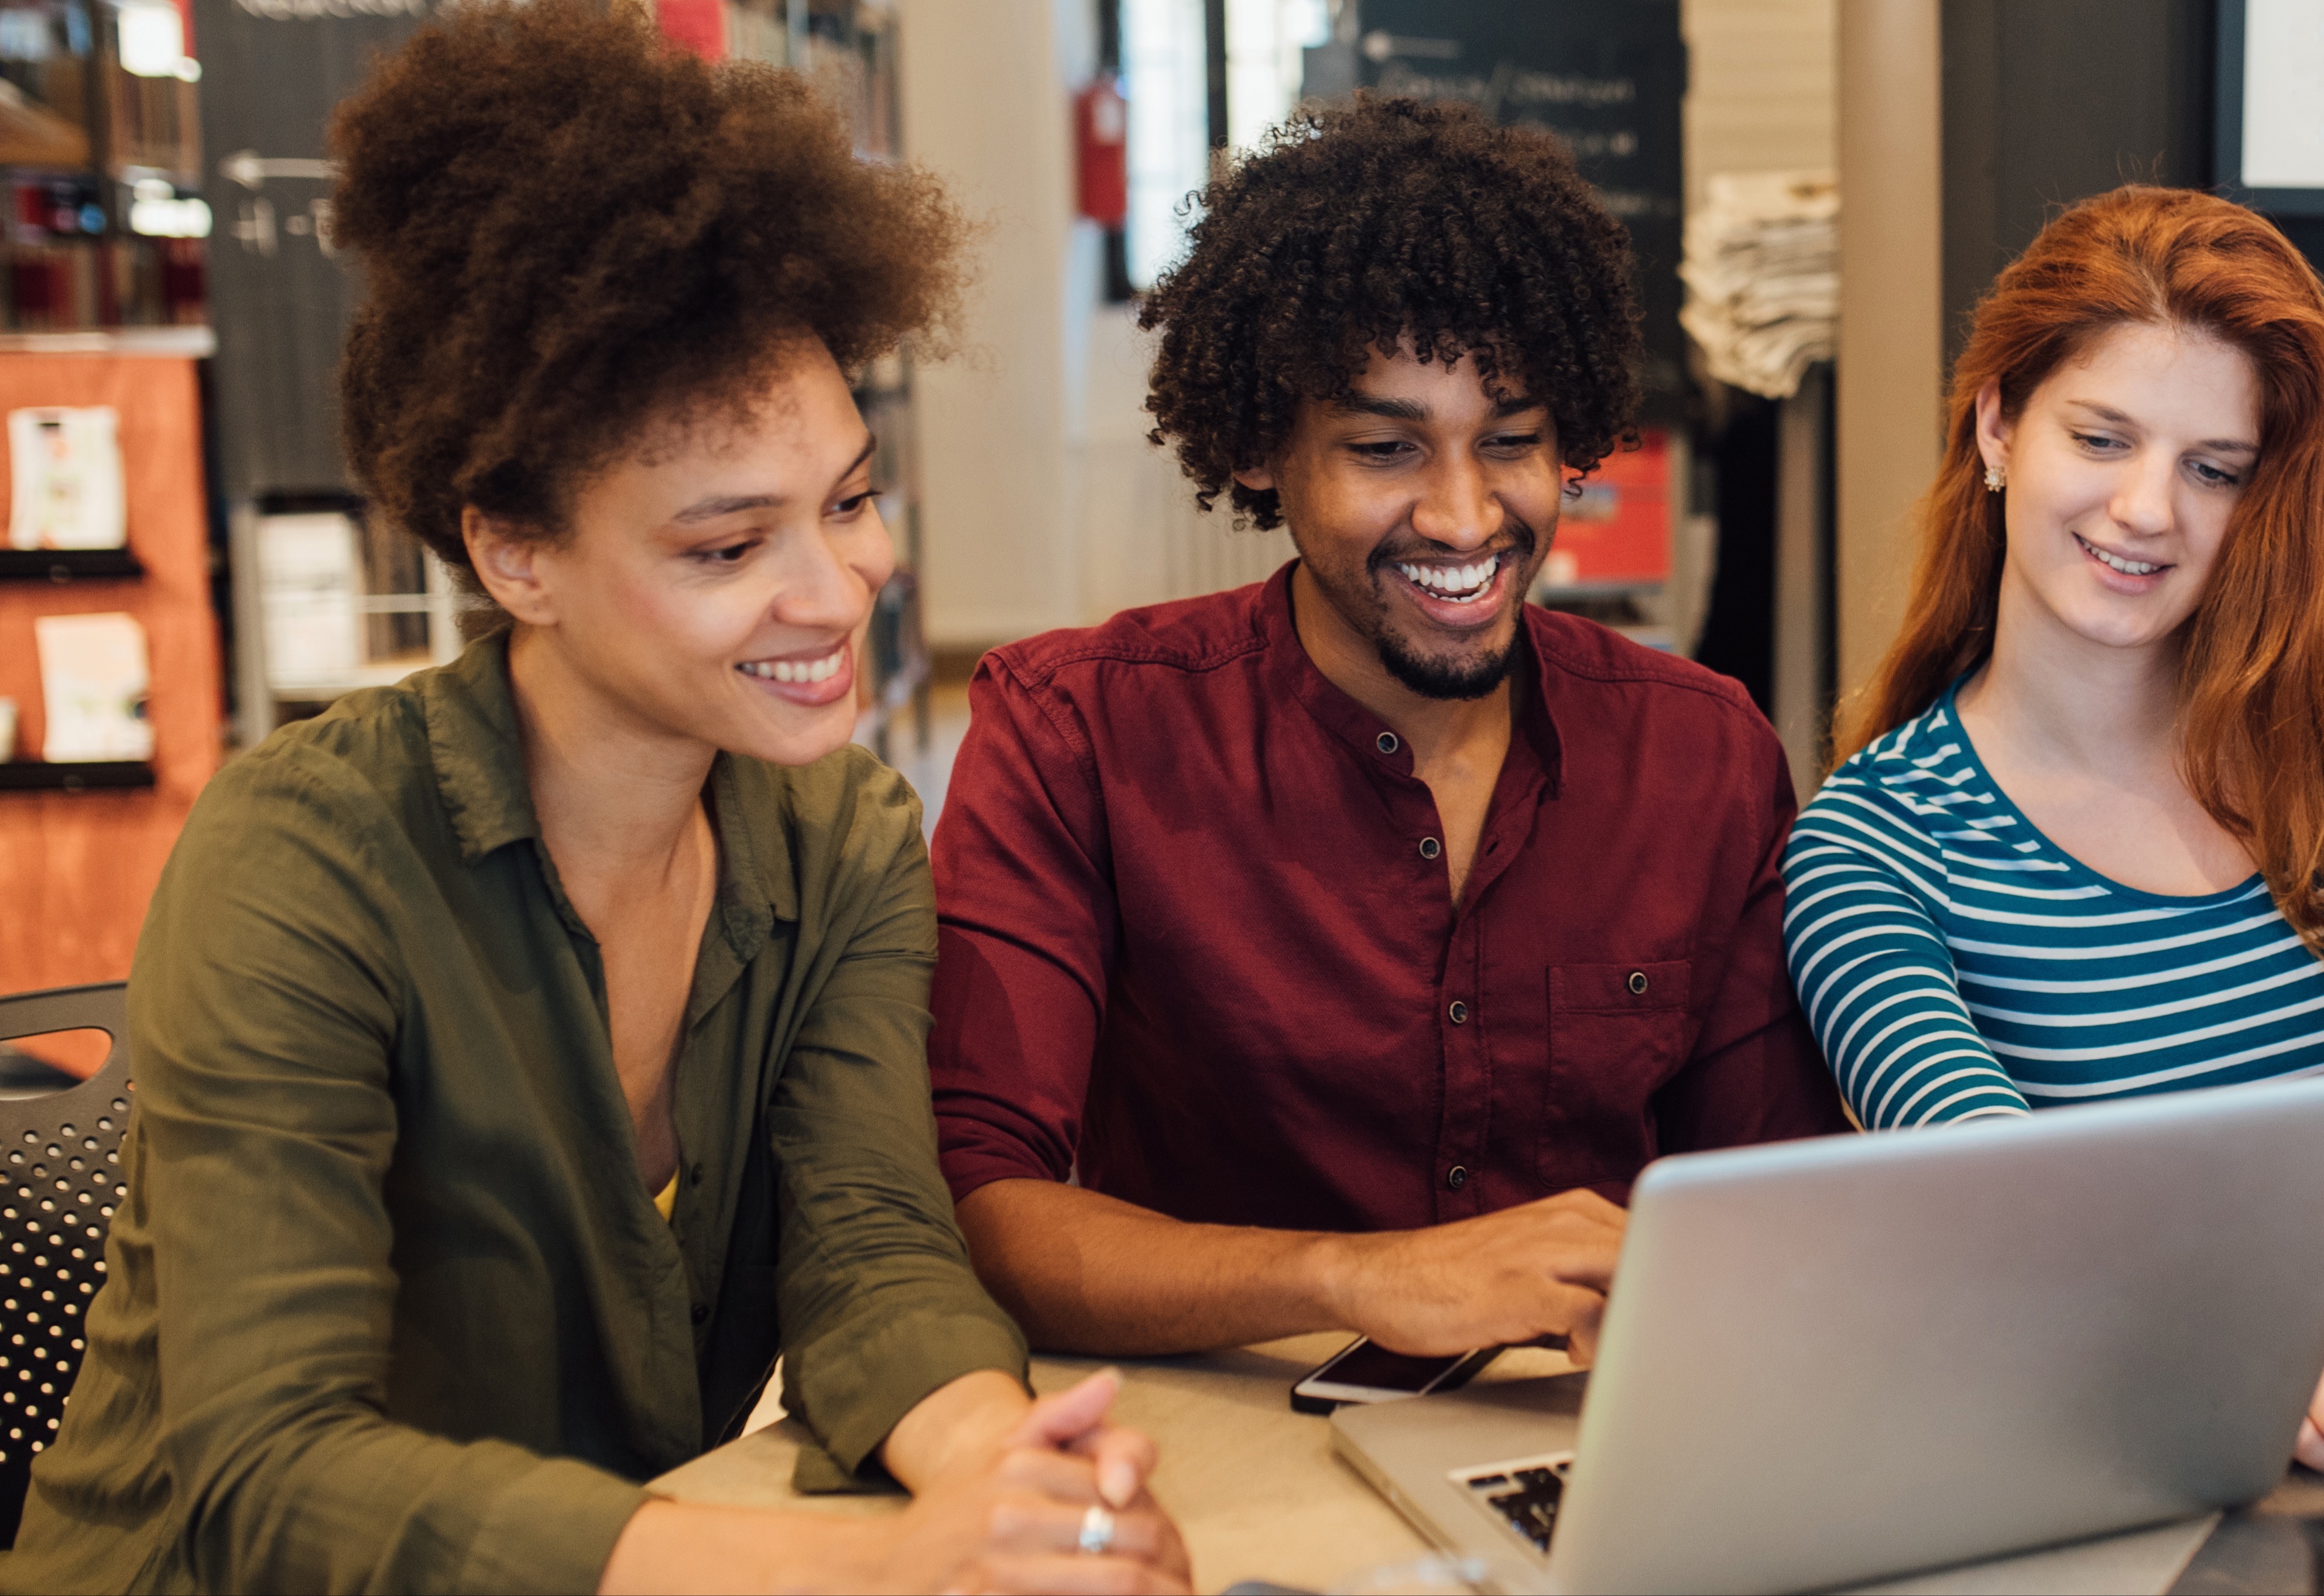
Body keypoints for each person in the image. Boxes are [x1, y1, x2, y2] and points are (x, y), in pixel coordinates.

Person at [4, 9, 1191, 1592]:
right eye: (725, 547)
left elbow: (870, 1248)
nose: (835, 592)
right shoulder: (304, 861)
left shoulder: (840, 842)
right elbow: (270, 1475)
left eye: (848, 500)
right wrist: (875, 1571)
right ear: (517, 556)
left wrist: (1004, 1476)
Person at [930, 97, 1841, 1365]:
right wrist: (1353, 1278)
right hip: (1225, 1448)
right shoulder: (1077, 731)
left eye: (1511, 441)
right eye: (1382, 447)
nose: (1466, 518)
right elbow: (983, 1211)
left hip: (1584, 1455)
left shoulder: (1703, 756)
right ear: (1259, 445)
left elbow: (1774, 1211)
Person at [1781, 186, 2324, 1480]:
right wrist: (2260, 1314)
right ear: (1995, 426)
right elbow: (1986, 1187)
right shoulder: (1872, 846)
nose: (2148, 509)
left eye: (2214, 469)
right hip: (2154, 1471)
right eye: (2100, 439)